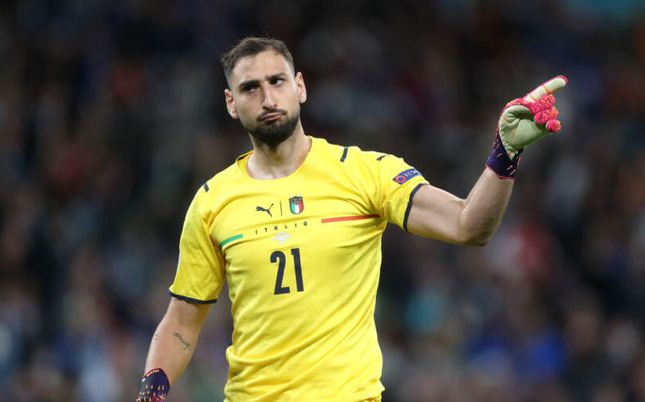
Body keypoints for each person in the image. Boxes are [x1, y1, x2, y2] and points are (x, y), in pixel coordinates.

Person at [135, 36, 567, 402]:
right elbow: (182, 321)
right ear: (231, 103)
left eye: (277, 81)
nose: (267, 98)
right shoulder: (213, 201)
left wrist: (505, 155)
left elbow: (468, 226)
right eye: (250, 88)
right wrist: (153, 386)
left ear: (300, 87)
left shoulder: (365, 172)